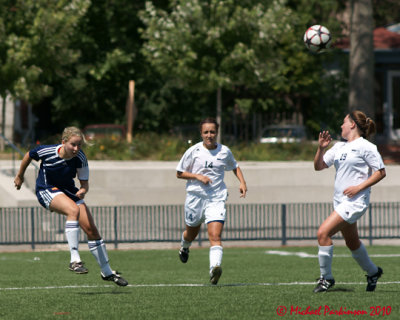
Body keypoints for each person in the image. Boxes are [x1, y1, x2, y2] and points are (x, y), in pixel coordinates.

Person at [14, 127, 128, 286]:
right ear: (63, 142)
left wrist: (83, 190)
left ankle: (107, 272)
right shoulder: (46, 151)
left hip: (69, 191)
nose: (76, 149)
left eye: (79, 145)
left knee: (92, 230)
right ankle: (75, 260)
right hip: (46, 190)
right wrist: (20, 175)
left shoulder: (80, 157)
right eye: (73, 145)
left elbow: (85, 184)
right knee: (73, 210)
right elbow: (29, 155)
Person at [313, 110, 386, 293]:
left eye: (344, 122)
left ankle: (326, 278)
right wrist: (321, 148)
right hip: (339, 201)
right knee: (352, 242)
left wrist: (358, 188)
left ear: (352, 124)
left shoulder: (366, 147)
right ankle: (373, 272)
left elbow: (381, 172)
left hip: (355, 202)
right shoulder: (339, 146)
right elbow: (319, 166)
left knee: (323, 233)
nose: (341, 126)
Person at [176, 117, 247, 285]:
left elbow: (235, 166)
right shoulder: (193, 151)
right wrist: (197, 176)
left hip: (216, 198)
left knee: (215, 235)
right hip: (195, 198)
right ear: (201, 133)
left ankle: (214, 268)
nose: (209, 135)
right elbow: (179, 173)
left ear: (217, 133)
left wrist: (242, 182)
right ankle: (184, 246)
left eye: (212, 132)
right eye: (206, 132)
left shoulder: (224, 151)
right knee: (191, 234)